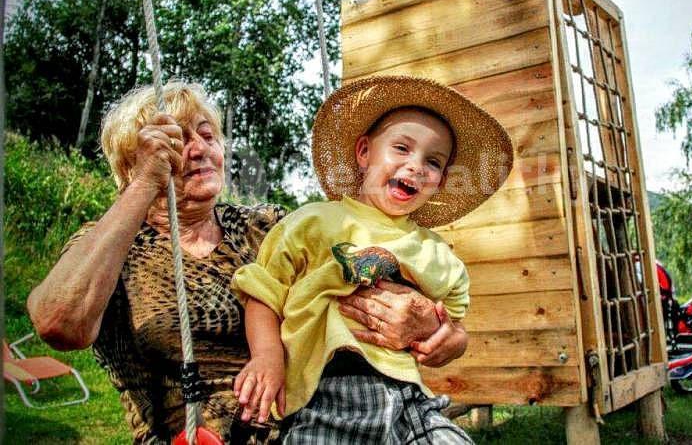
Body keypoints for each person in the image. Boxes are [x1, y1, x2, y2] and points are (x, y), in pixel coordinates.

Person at [27, 81, 464, 444]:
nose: (199, 148)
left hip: (319, 421)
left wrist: (442, 332)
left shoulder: (266, 225)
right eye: (178, 139)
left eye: (207, 134)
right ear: (133, 159)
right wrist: (144, 184)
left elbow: (364, 265)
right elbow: (60, 324)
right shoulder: (113, 245)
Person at [231, 75, 514, 443]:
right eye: (401, 148)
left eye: (433, 162)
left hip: (412, 403)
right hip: (327, 395)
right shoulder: (314, 222)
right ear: (363, 152)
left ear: (442, 181)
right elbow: (263, 292)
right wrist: (267, 355)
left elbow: (453, 322)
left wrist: (452, 341)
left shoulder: (436, 253)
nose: (415, 166)